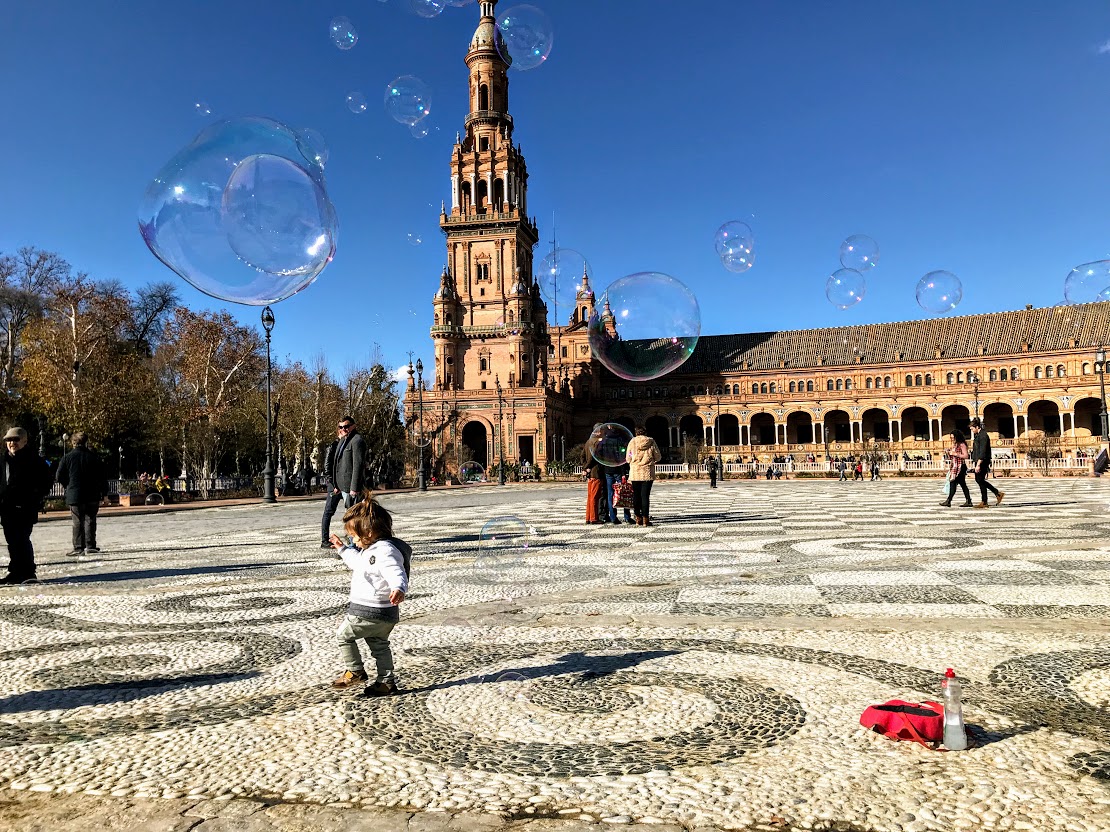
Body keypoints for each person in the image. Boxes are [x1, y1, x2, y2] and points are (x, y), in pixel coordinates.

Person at [329, 497, 408, 695]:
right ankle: (386, 682)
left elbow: (395, 570)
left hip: (369, 610)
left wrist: (398, 587)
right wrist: (342, 549)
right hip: (385, 614)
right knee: (380, 645)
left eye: (355, 537)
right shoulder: (372, 550)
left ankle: (355, 670)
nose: (354, 541)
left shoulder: (384, 551)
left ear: (370, 533)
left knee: (344, 636)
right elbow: (357, 562)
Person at [0, 427, 52, 585]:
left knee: (22, 539)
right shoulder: (3, 460)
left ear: (24, 441)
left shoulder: (34, 460)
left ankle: (28, 572)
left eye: (15, 440)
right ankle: (15, 571)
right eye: (9, 440)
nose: (12, 443)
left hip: (25, 508)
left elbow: (46, 483)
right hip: (6, 507)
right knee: (12, 540)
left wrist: (33, 498)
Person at [55, 432, 108, 557]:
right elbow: (102, 477)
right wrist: (104, 493)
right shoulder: (94, 457)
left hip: (75, 493)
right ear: (86, 442)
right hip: (92, 493)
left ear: (73, 443)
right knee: (91, 519)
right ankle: (90, 545)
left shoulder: (67, 457)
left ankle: (78, 547)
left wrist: (68, 485)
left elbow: (59, 476)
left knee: (77, 521)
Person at [321, 418, 367, 548]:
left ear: (353, 426)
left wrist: (354, 487)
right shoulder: (343, 441)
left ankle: (355, 544)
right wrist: (334, 484)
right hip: (340, 486)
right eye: (340, 427)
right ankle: (352, 542)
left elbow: (357, 466)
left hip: (349, 487)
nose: (343, 429)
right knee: (343, 515)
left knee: (353, 516)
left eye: (346, 426)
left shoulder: (356, 441)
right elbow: (334, 465)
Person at [626, 427, 661, 526]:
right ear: (645, 433)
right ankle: (646, 519)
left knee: (636, 496)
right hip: (647, 473)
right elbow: (658, 456)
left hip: (635, 473)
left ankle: (638, 518)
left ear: (636, 433)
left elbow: (628, 458)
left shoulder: (632, 442)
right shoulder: (651, 441)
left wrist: (633, 459)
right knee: (645, 496)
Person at [969, 418, 1004, 508]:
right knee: (980, 480)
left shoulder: (983, 436)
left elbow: (983, 451)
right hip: (979, 460)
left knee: (979, 480)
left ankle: (991, 497)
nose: (972, 431)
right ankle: (991, 497)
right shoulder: (978, 435)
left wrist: (978, 464)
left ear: (977, 427)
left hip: (983, 461)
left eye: (972, 429)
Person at [941, 429, 973, 507]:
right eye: (951, 438)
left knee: (955, 483)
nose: (952, 439)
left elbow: (966, 456)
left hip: (960, 466)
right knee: (960, 484)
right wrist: (948, 453)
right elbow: (952, 457)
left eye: (953, 438)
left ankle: (949, 500)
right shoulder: (954, 445)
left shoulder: (962, 444)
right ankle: (967, 500)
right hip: (954, 466)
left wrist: (955, 453)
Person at [585, 458, 604, 524]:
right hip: (596, 473)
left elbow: (582, 456)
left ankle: (588, 517)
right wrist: (585, 467)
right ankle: (593, 518)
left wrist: (585, 467)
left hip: (591, 475)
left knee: (590, 497)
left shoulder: (587, 446)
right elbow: (592, 458)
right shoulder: (596, 447)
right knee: (594, 497)